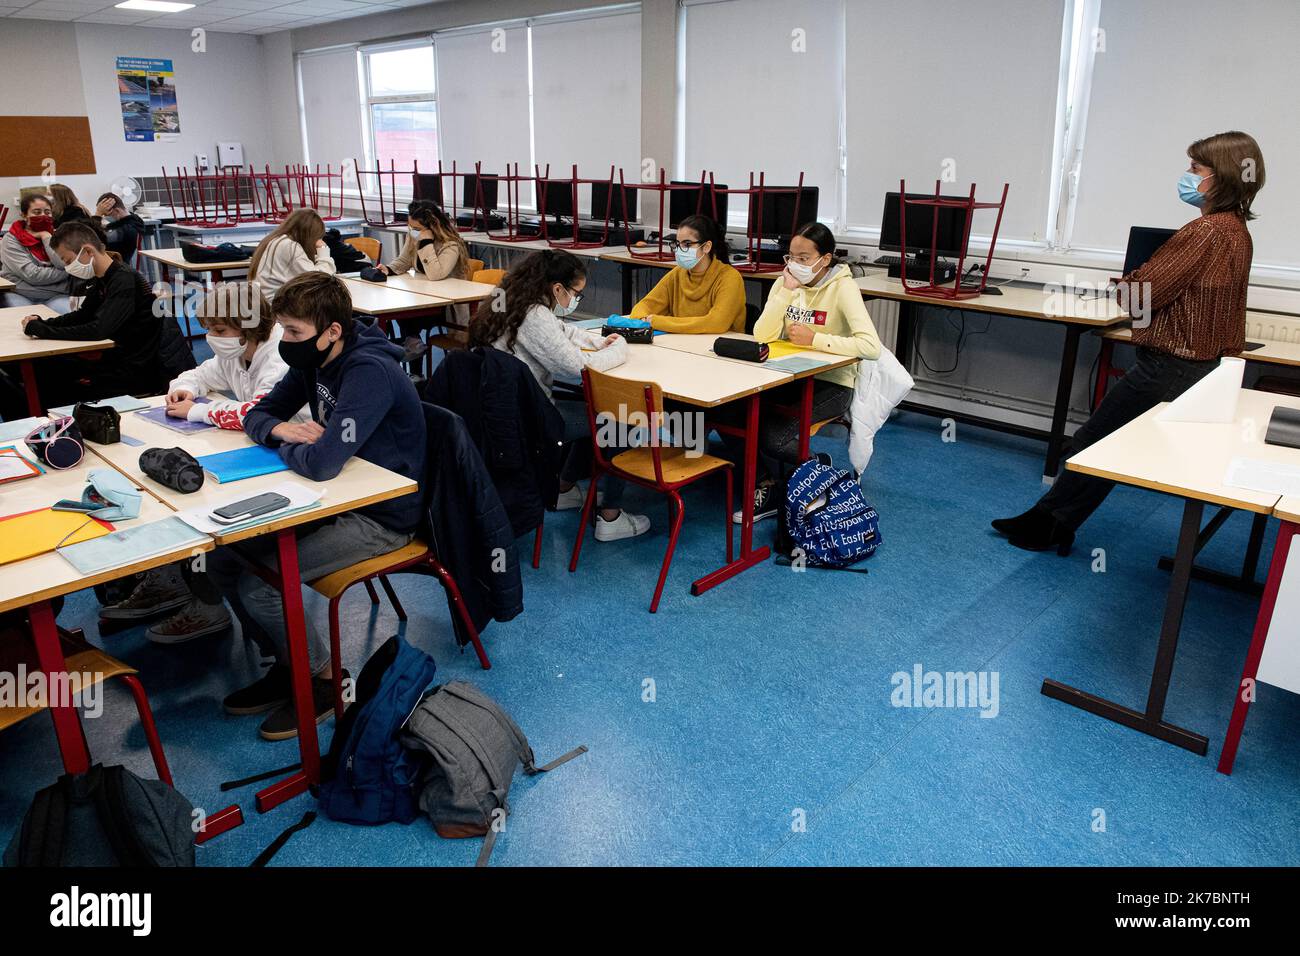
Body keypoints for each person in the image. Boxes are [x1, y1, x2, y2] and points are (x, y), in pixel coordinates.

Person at [992, 130, 1266, 555]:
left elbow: (1145, 296)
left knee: (1093, 443)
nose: (1187, 176)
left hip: (1169, 364)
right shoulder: (1237, 232)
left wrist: (1127, 284)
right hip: (1199, 365)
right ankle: (1049, 521)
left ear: (1222, 177)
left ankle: (1048, 525)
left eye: (1195, 169)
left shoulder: (1206, 231)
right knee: (1106, 445)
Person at [204, 273, 426, 740]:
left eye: (294, 332)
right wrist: (284, 432)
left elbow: (323, 463)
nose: (285, 341)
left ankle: (325, 679)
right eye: (283, 329)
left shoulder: (369, 372)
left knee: (260, 585)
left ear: (333, 331)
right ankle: (292, 666)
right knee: (223, 561)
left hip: (382, 515)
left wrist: (292, 444)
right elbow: (263, 413)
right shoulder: (314, 360)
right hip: (332, 499)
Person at [101, 283, 301, 643]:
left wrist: (197, 410)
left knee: (199, 505)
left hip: (290, 461)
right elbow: (203, 372)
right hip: (256, 450)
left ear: (249, 324)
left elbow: (256, 413)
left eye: (220, 330)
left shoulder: (278, 356)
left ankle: (204, 601)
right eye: (208, 328)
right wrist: (185, 387)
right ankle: (175, 582)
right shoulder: (237, 351)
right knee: (167, 489)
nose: (212, 337)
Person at [468, 249, 651, 542]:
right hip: (529, 418)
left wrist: (601, 340)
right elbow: (581, 368)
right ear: (557, 288)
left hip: (503, 411)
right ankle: (610, 515)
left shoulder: (514, 302)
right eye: (575, 293)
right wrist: (619, 350)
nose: (575, 300)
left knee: (592, 409)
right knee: (621, 416)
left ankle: (563, 489)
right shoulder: (534, 315)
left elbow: (563, 331)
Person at [722, 221, 882, 522]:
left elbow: (870, 346)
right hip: (787, 375)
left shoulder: (843, 288)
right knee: (728, 413)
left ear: (825, 259)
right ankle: (766, 483)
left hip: (832, 384)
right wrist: (783, 292)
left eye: (804, 258)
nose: (795, 264)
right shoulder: (787, 284)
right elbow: (762, 333)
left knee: (774, 439)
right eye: (791, 257)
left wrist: (816, 340)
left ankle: (818, 469)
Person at [3, 222, 191, 417]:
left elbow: (98, 330)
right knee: (27, 369)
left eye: (67, 261)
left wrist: (42, 330)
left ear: (87, 251)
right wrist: (43, 323)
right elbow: (82, 315)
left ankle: (36, 422)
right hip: (112, 361)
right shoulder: (101, 278)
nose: (67, 267)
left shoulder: (123, 280)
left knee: (44, 379)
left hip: (129, 372)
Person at [376, 200, 472, 363]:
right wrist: (388, 269)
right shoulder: (415, 234)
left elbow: (435, 274)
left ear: (432, 227)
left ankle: (414, 350)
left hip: (445, 305)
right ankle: (414, 351)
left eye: (417, 229)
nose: (412, 232)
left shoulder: (451, 245)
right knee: (402, 310)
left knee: (407, 315)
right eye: (410, 228)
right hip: (423, 296)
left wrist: (426, 242)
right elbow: (404, 260)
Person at [629, 214, 746, 333]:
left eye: (687, 244)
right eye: (678, 244)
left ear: (706, 247)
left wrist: (655, 322)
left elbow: (716, 323)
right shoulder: (678, 273)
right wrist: (643, 319)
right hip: (681, 344)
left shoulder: (730, 278)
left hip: (717, 347)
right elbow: (642, 307)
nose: (680, 250)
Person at [0, 194, 71, 311]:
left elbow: (62, 264)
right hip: (21, 294)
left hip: (57, 295)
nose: (43, 216)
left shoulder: (59, 236)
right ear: (24, 215)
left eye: (47, 212)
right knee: (22, 322)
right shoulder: (11, 239)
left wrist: (46, 237)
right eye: (37, 212)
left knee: (67, 316)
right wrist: (68, 272)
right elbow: (32, 275)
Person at [246, 207, 336, 299]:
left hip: (263, 303)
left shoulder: (276, 239)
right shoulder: (290, 246)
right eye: (317, 237)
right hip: (274, 308)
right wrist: (323, 249)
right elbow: (320, 279)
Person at [96, 192, 146, 263]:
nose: (105, 217)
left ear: (117, 211)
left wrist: (98, 214)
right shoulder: (134, 220)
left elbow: (94, 239)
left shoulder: (123, 230)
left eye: (107, 214)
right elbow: (113, 226)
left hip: (113, 268)